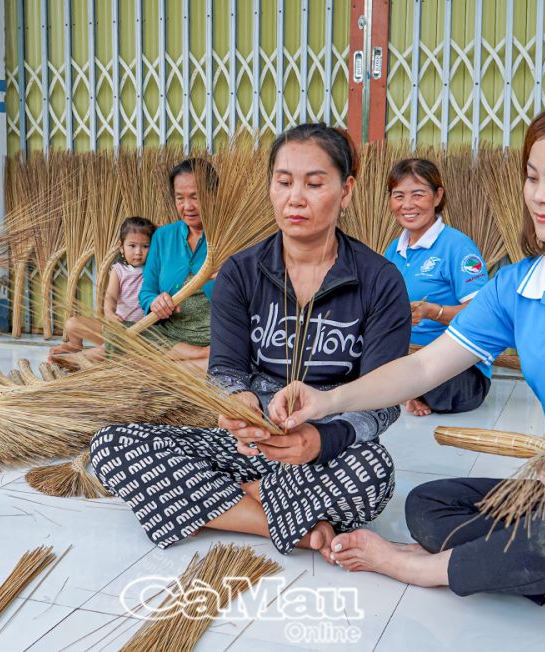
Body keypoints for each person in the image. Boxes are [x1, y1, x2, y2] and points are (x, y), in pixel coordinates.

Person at [268, 98, 545, 652]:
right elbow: (422, 366)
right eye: (533, 177)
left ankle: (427, 571)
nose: (539, 195)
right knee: (428, 505)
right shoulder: (518, 286)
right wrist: (327, 400)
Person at [90, 124, 411, 559]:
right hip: (250, 441)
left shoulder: (380, 281)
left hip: (325, 447)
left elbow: (384, 399)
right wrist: (238, 403)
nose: (295, 198)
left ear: (347, 190)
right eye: (283, 182)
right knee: (112, 446)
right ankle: (281, 522)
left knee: (373, 474)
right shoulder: (240, 273)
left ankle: (231, 499)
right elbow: (224, 370)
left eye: (314, 183)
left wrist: (320, 439)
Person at [383, 158, 491, 416]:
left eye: (418, 194)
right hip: (408, 359)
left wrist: (434, 312)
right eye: (399, 196)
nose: (407, 205)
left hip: (458, 372)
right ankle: (409, 392)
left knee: (429, 378)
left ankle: (410, 391)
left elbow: (484, 315)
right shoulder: (393, 251)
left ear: (437, 196)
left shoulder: (457, 247)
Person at [136, 158, 218, 369]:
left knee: (121, 351)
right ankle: (198, 359)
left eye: (195, 197)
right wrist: (154, 301)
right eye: (179, 198)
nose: (187, 206)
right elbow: (147, 291)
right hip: (168, 335)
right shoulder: (163, 236)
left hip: (215, 337)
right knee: (118, 334)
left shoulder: (229, 239)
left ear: (213, 194)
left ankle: (180, 364)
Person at [50, 216, 156, 368]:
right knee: (72, 324)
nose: (138, 252)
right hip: (116, 329)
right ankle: (75, 345)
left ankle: (80, 359)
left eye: (145, 246)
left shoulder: (153, 270)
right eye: (132, 246)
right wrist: (110, 313)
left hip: (139, 334)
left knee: (107, 350)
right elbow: (111, 297)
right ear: (121, 246)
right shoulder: (119, 270)